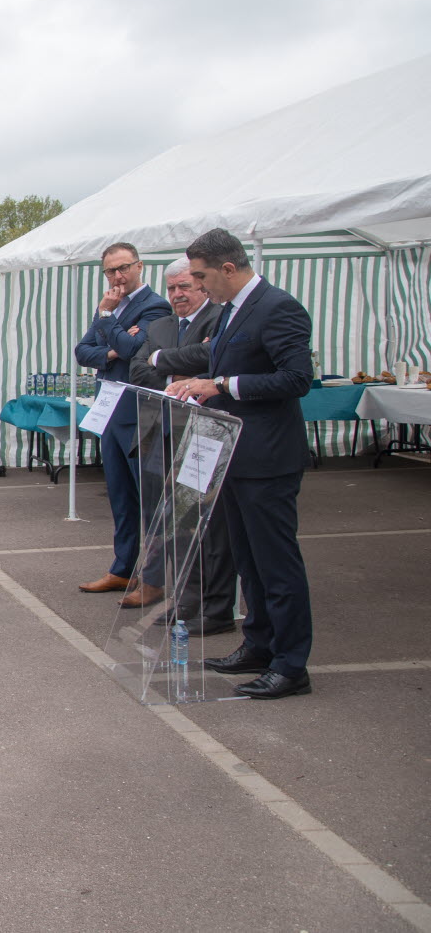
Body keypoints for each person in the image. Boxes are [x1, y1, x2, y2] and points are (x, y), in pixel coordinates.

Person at [167, 228, 315, 700]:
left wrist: (222, 385)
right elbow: (222, 359)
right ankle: (259, 643)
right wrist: (195, 381)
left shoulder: (279, 307)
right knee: (248, 562)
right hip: (232, 453)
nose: (199, 286)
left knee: (276, 565)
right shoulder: (230, 311)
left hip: (268, 458)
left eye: (202, 276)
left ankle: (291, 665)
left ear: (229, 268)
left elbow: (296, 379)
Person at [128, 258, 235, 632]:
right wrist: (176, 376)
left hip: (205, 433)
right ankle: (185, 596)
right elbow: (137, 368)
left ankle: (212, 602)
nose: (177, 295)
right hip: (162, 431)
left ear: (202, 286)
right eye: (171, 288)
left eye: (184, 287)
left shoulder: (220, 318)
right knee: (175, 522)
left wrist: (162, 361)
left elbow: (211, 360)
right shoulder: (160, 325)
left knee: (207, 522)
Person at [73, 243, 171, 597]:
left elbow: (135, 352)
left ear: (139, 266)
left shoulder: (154, 305)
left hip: (137, 410)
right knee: (119, 494)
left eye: (123, 268)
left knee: (148, 496)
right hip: (108, 406)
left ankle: (154, 577)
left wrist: (109, 324)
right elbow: (82, 351)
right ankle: (122, 567)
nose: (117, 276)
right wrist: (113, 342)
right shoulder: (109, 308)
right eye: (111, 271)